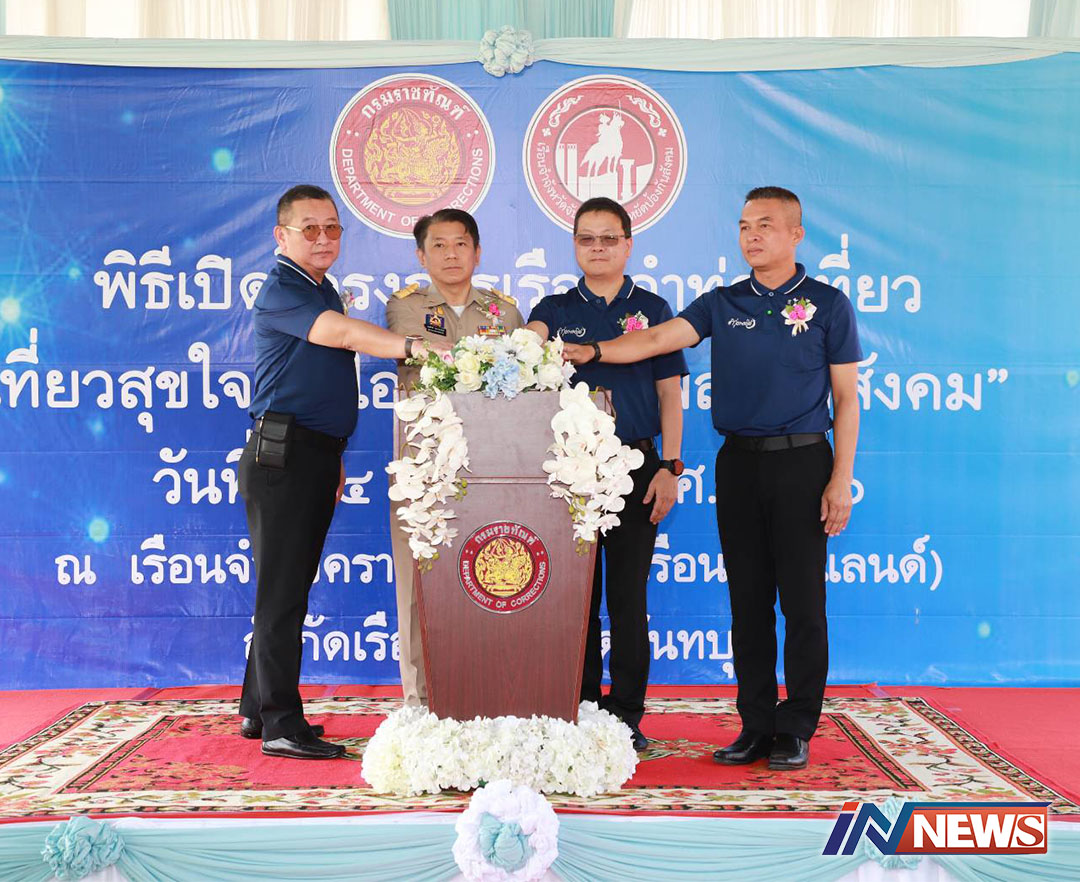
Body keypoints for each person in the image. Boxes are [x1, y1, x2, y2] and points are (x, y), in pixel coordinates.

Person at [562, 187, 861, 770]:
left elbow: (847, 399)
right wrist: (592, 350)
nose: (753, 235)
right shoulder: (722, 302)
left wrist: (840, 478)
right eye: (745, 226)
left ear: (796, 234)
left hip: (804, 462)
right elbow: (654, 340)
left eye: (766, 225)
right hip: (739, 463)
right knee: (747, 602)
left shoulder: (828, 304)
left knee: (803, 602)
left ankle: (796, 725)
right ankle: (756, 724)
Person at [238, 184, 445, 760]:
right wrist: (415, 347)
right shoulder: (282, 288)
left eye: (332, 228)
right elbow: (346, 334)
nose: (324, 238)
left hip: (312, 453)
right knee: (282, 595)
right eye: (310, 228)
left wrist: (333, 457)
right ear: (281, 236)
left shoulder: (320, 286)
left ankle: (257, 708)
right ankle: (282, 725)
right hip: (282, 455)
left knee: (287, 586)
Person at [525, 196, 687, 751]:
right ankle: (580, 706)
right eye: (587, 239)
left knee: (627, 597)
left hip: (637, 465)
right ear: (574, 245)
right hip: (568, 471)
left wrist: (669, 467)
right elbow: (526, 351)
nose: (598, 248)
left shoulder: (655, 308)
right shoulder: (553, 308)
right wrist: (524, 341)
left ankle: (626, 716)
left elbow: (670, 395)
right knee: (575, 599)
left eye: (609, 238)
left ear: (628, 244)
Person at [385, 208, 524, 706]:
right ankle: (420, 701)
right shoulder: (406, 307)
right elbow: (444, 364)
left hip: (493, 464)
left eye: (460, 244)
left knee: (493, 572)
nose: (450, 254)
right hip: (424, 466)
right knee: (419, 584)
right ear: (421, 256)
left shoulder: (505, 312)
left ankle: (492, 691)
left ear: (477, 252)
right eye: (438, 245)